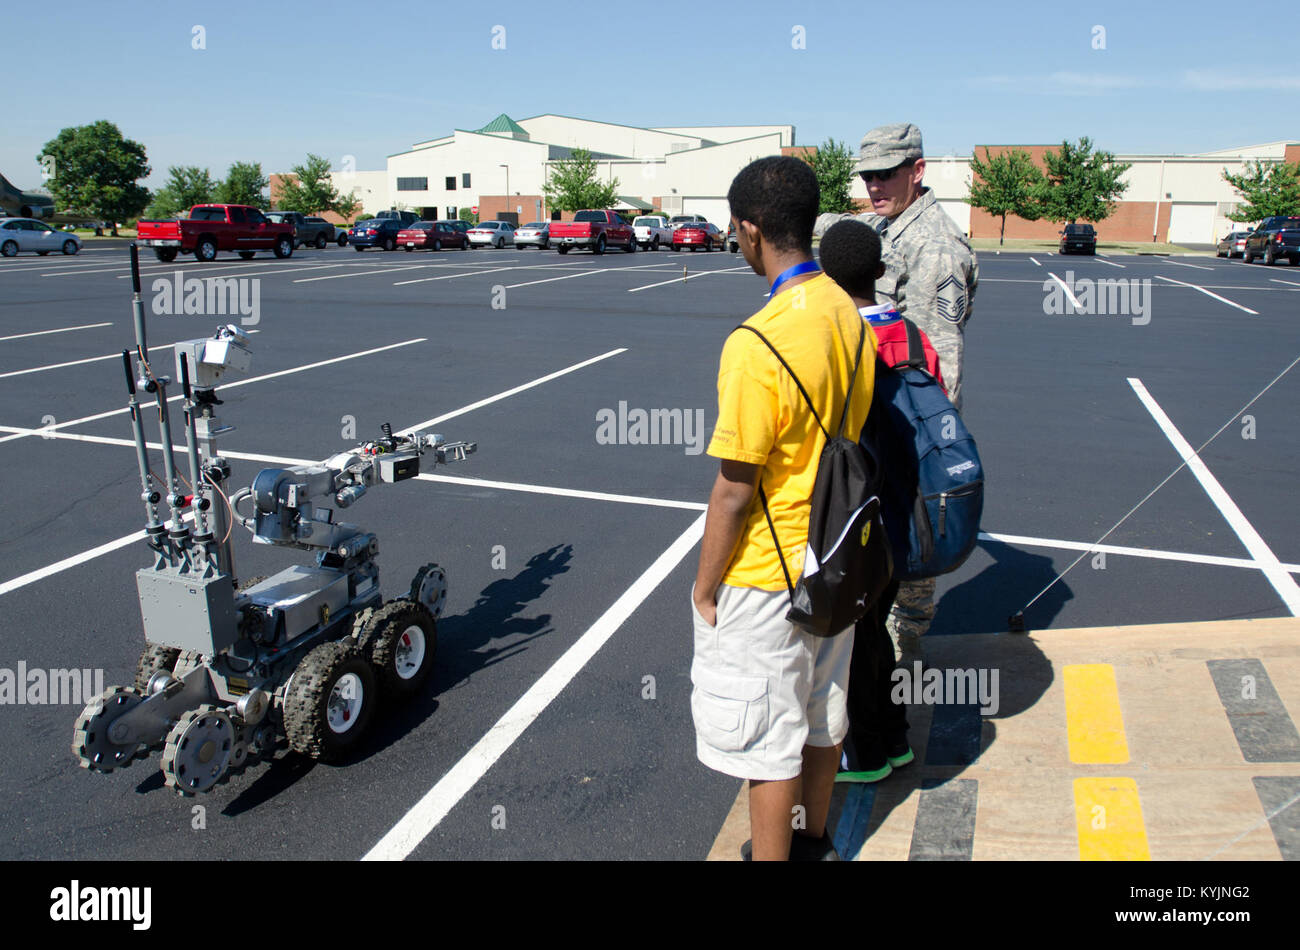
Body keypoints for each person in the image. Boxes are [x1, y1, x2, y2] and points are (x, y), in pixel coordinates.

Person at [691, 156, 874, 861]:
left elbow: (735, 488)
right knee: (822, 715)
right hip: (837, 555)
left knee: (767, 741)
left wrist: (706, 589)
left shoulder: (756, 342)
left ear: (749, 230)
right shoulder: (847, 311)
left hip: (769, 572)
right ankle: (813, 842)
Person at [815, 122, 978, 651]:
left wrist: (919, 467)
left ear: (918, 171)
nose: (874, 185)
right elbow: (835, 224)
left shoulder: (936, 247)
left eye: (886, 174)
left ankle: (905, 669)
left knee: (908, 564)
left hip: (905, 433)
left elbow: (938, 372)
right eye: (868, 176)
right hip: (873, 427)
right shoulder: (888, 227)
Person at [818, 218, 948, 782]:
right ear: (880, 269)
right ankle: (893, 739)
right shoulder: (916, 336)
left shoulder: (839, 339)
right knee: (876, 631)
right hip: (905, 505)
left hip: (854, 512)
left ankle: (865, 751)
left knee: (852, 639)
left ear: (825, 274)